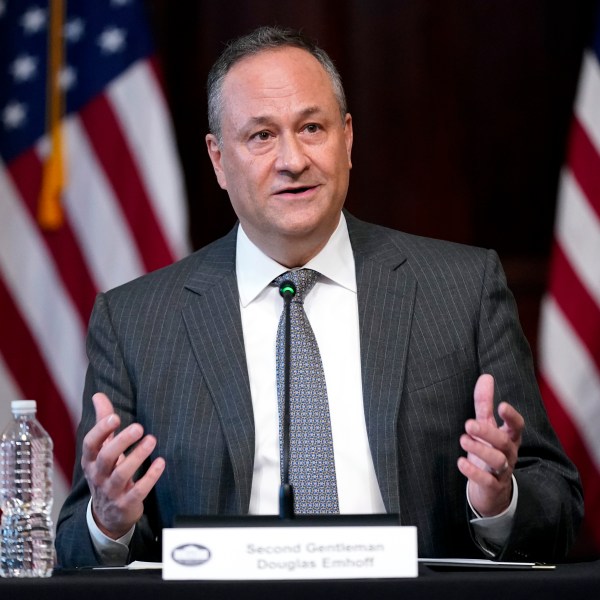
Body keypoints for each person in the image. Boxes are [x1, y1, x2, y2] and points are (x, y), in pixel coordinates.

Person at [55, 26, 583, 567]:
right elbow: (74, 542)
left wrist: (498, 504)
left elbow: (559, 505)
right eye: (261, 136)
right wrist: (110, 523)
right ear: (217, 159)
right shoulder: (136, 322)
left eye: (311, 128)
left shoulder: (462, 289)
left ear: (347, 139)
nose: (293, 159)